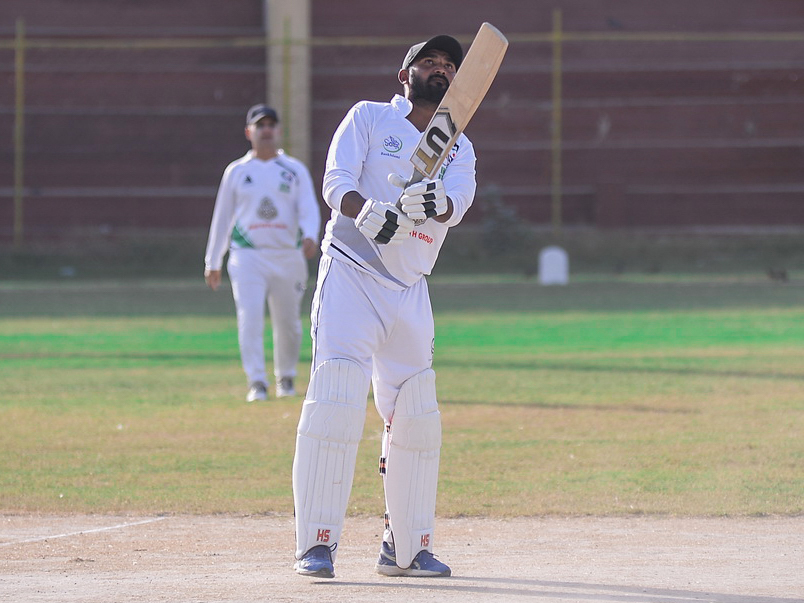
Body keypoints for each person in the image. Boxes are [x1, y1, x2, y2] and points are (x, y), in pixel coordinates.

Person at [292, 34, 476, 579]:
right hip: (351, 272)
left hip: (411, 286)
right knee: (337, 396)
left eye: (449, 65)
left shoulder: (460, 146)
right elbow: (336, 182)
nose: (440, 69)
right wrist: (366, 210)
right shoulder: (369, 117)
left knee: (416, 413)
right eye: (429, 61)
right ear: (405, 74)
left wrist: (435, 202)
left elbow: (458, 202)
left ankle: (406, 548)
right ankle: (317, 543)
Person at [204, 104, 321, 402]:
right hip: (248, 255)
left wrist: (310, 234)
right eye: (260, 126)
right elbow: (222, 217)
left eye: (271, 125)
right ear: (249, 132)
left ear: (279, 131)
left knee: (288, 322)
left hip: (287, 254)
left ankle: (286, 377)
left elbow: (308, 207)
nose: (266, 130)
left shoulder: (294, 170)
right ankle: (256, 381)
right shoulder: (237, 171)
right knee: (250, 318)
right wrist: (213, 260)